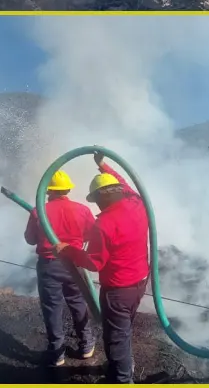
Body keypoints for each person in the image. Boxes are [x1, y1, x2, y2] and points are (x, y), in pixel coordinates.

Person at [55, 155, 150, 384]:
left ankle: (122, 379)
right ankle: (124, 365)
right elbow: (124, 182)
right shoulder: (137, 203)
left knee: (116, 337)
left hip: (117, 290)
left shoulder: (104, 224)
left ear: (100, 198)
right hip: (140, 282)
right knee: (124, 329)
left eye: (95, 199)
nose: (95, 204)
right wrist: (103, 166)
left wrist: (69, 249)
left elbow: (94, 263)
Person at [24, 169, 96, 366]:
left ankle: (57, 353)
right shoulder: (82, 209)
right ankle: (87, 345)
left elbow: (30, 239)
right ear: (67, 189)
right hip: (75, 263)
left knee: (52, 308)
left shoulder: (39, 211)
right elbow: (92, 234)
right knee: (78, 302)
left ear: (49, 191)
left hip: (49, 266)